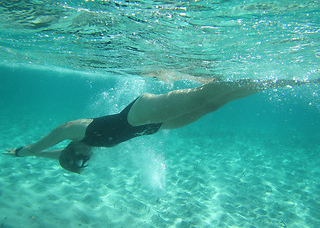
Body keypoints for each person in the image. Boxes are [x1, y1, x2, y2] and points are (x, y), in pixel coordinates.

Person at [4, 78, 318, 173]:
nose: (87, 159)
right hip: (155, 126)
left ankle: (276, 77)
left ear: (74, 149)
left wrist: (23, 151)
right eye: (83, 162)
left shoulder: (76, 131)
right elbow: (55, 157)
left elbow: (49, 141)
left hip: (137, 114)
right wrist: (35, 156)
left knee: (201, 94)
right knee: (211, 105)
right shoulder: (87, 151)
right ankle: (268, 84)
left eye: (80, 159)